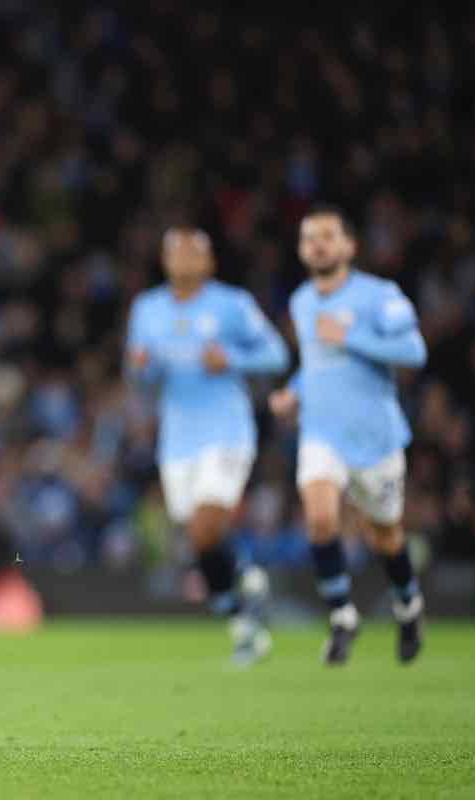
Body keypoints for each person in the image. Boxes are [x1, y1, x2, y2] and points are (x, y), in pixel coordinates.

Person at [269, 206, 426, 665]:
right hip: (321, 433)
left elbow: (414, 350)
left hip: (375, 437)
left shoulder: (380, 295)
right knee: (319, 519)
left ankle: (408, 604)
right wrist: (293, 393)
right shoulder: (301, 300)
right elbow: (316, 364)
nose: (318, 244)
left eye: (327, 236)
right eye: (309, 238)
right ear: (301, 250)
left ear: (348, 246)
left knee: (386, 536)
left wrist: (351, 337)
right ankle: (341, 616)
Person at [127, 227, 288, 664]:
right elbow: (139, 376)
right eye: (174, 252)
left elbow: (277, 353)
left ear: (209, 262)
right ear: (164, 261)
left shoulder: (232, 305)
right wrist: (141, 369)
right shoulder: (147, 309)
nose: (182, 259)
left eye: (192, 252)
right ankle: (244, 611)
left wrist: (232, 359)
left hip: (226, 431)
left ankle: (248, 586)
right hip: (177, 438)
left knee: (203, 527)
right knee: (200, 539)